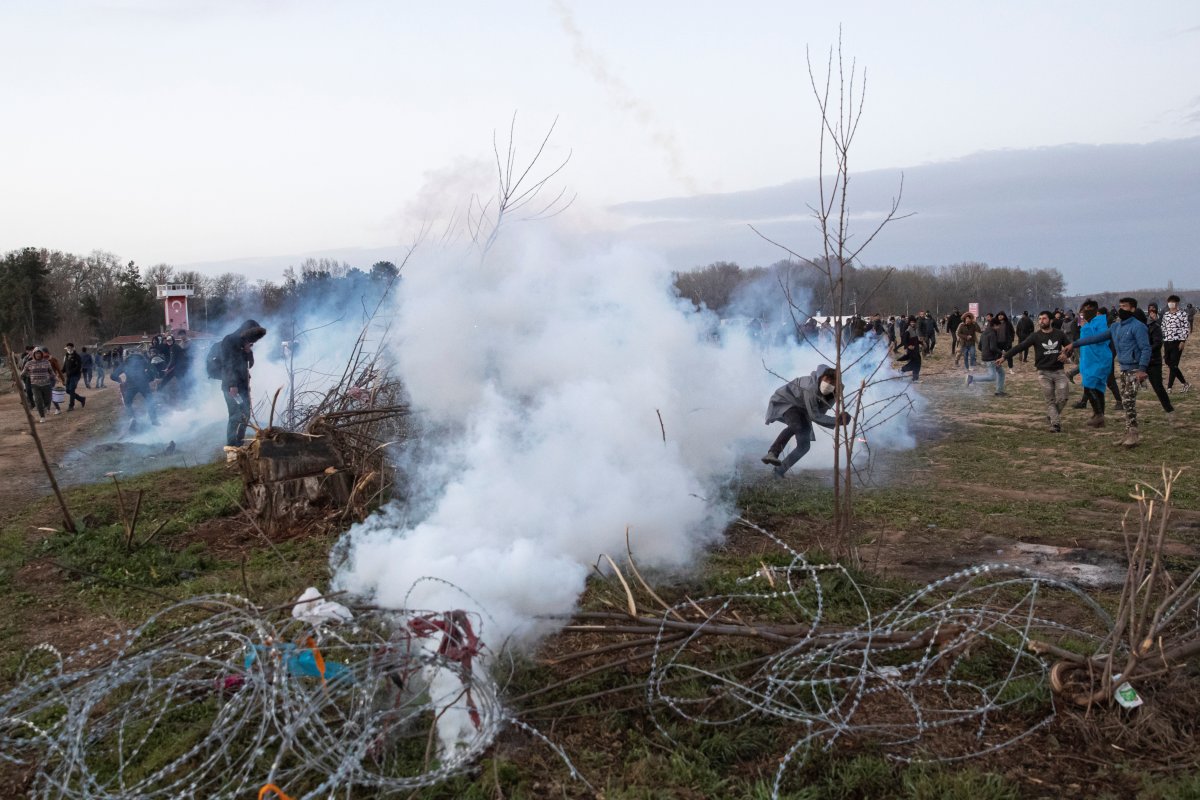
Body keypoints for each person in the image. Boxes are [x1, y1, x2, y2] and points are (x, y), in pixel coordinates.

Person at [1065, 297, 1151, 447]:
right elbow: (1094, 338)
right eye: (1120, 306)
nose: (1121, 309)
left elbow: (1146, 348)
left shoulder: (1138, 327)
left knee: (1128, 401)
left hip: (1134, 369)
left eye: (1124, 306)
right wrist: (1074, 344)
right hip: (1123, 368)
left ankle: (1133, 434)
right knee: (1126, 401)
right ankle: (1128, 433)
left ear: (1132, 309)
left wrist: (1142, 369)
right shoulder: (1116, 327)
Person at [760, 364, 852, 478]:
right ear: (821, 378)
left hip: (803, 409)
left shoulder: (835, 392)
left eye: (832, 382)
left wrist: (841, 417)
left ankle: (778, 471)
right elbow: (815, 416)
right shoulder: (810, 388)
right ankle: (773, 453)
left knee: (804, 446)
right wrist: (836, 421)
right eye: (826, 380)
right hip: (788, 401)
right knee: (796, 425)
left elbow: (820, 412)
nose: (828, 384)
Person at [999, 311, 1070, 432]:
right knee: (1050, 400)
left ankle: (1052, 415)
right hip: (1043, 373)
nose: (1041, 321)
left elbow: (1070, 346)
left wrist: (1066, 353)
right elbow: (1020, 346)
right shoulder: (1035, 336)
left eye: (1044, 318)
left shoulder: (1059, 334)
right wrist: (1005, 357)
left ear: (1051, 320)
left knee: (1063, 398)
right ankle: (1055, 424)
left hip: (1059, 371)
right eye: (1040, 318)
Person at [217, 319, 268, 447]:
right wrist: (232, 385)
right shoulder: (229, 340)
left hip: (244, 386)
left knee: (246, 415)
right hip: (231, 386)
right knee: (235, 416)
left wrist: (248, 351)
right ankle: (232, 446)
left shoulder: (245, 343)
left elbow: (250, 364)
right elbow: (227, 364)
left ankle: (239, 443)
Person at [1073, 300, 1113, 428]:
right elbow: (1078, 329)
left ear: (1096, 310)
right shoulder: (1084, 320)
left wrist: (1085, 325)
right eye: (1085, 308)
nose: (1086, 311)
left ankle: (1099, 414)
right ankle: (1099, 416)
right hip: (1087, 358)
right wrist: (1081, 320)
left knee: (1089, 386)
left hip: (1099, 359)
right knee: (1097, 388)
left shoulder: (1101, 321)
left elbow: (1099, 338)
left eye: (1089, 308)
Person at [1145, 305, 1181, 428]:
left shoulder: (1156, 326)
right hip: (1139, 362)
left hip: (1153, 360)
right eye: (1150, 311)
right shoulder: (1139, 327)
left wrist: (1146, 351)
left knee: (1158, 387)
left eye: (1154, 311)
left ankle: (1170, 411)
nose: (1152, 313)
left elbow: (1157, 343)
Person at [111, 346, 159, 430]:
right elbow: (153, 371)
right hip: (143, 384)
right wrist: (149, 379)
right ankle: (154, 420)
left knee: (128, 402)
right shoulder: (143, 361)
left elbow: (113, 375)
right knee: (150, 401)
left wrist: (120, 381)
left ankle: (133, 419)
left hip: (131, 386)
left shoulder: (125, 363)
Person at [967, 316, 1008, 395]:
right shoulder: (992, 333)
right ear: (994, 325)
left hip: (986, 357)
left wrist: (985, 352)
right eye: (998, 325)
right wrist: (1002, 352)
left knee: (1001, 373)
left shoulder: (984, 333)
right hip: (991, 358)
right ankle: (972, 378)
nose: (999, 327)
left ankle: (999, 391)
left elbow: (979, 347)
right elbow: (993, 347)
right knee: (992, 377)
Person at [1161, 294, 1190, 392]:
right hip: (1167, 341)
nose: (1170, 304)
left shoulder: (1182, 314)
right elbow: (1163, 327)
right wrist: (1164, 337)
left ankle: (1169, 387)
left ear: (1177, 303)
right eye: (1169, 302)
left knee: (1174, 364)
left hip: (1177, 342)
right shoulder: (1166, 314)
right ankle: (1185, 383)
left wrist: (1183, 341)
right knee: (1168, 362)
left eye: (1172, 302)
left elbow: (1186, 328)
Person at [19, 347, 56, 422]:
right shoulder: (29, 363)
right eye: (36, 353)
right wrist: (17, 380)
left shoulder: (46, 362)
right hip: (35, 385)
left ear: (41, 354)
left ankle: (46, 408)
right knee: (38, 401)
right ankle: (42, 417)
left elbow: (52, 372)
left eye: (39, 353)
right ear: (34, 354)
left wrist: (53, 377)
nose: (38, 355)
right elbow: (22, 373)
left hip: (46, 384)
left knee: (47, 400)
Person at [61, 342, 87, 411]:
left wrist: (71, 372)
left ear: (73, 348)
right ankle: (81, 399)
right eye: (68, 348)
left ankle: (71, 406)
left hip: (75, 376)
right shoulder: (66, 356)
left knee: (72, 389)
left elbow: (78, 367)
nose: (69, 349)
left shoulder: (77, 356)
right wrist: (61, 372)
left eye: (70, 348)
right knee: (68, 390)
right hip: (68, 376)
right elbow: (64, 366)